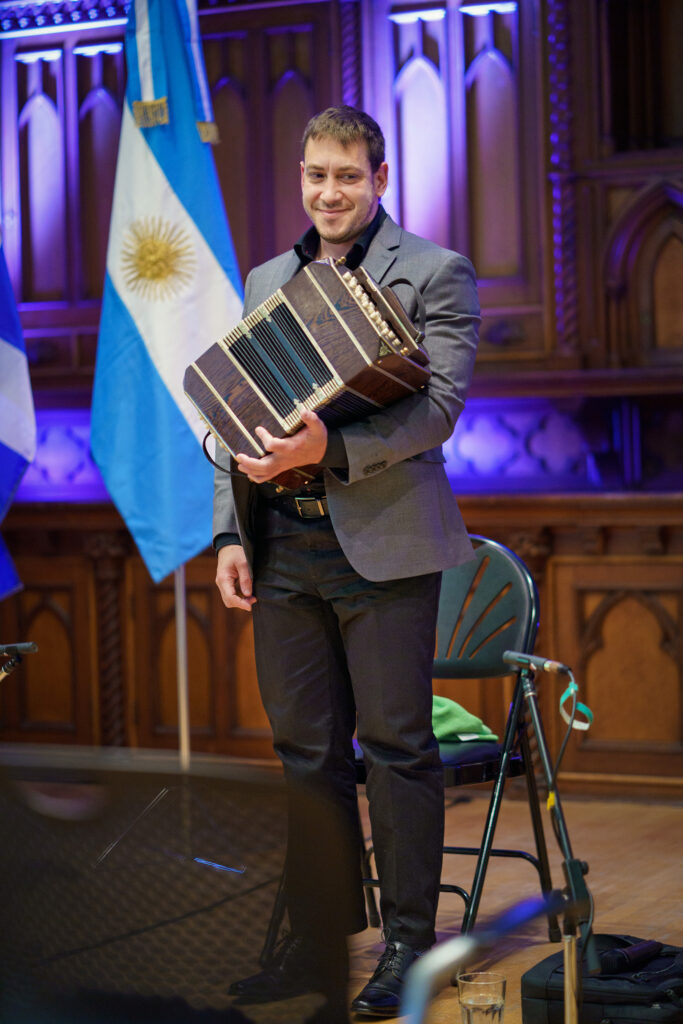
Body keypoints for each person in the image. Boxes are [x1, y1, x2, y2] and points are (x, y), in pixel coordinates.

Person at [213, 105, 480, 1019]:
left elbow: (438, 410)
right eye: (315, 175)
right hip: (281, 545)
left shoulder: (434, 270)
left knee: (398, 749)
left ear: (380, 179)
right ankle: (321, 936)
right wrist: (229, 537)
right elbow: (236, 418)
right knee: (305, 755)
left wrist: (327, 447)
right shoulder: (268, 278)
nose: (330, 192)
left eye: (348, 176)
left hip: (386, 545)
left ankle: (408, 944)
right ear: (301, 176)